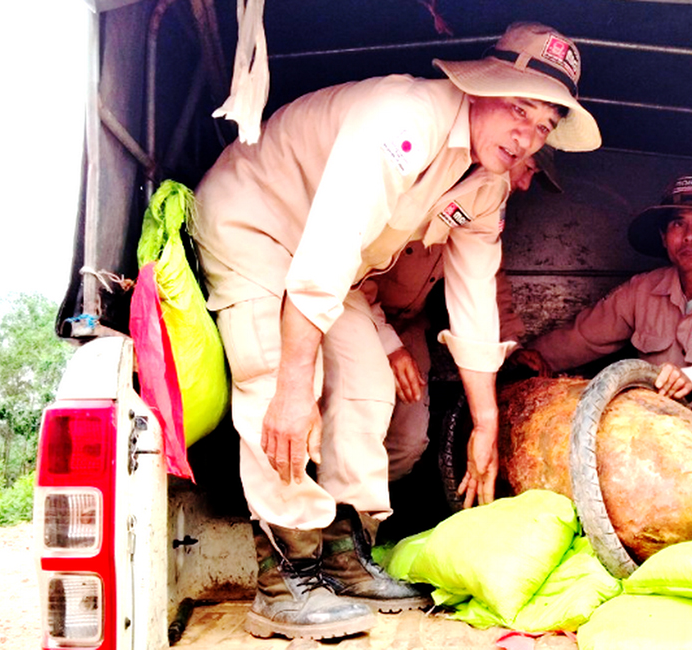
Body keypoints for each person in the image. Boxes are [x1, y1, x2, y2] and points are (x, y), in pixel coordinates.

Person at [191, 22, 600, 641]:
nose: (528, 137)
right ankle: (285, 574)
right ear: (482, 87)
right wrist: (295, 384)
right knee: (276, 377)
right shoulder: (406, 118)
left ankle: (345, 554)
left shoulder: (488, 184)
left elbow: (473, 299)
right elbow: (329, 243)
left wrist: (486, 422)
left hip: (336, 265)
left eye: (544, 124)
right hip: (257, 224)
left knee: (368, 384)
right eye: (520, 109)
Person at [517, 175, 692, 472]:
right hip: (646, 424)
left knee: (666, 457)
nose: (690, 235)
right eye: (678, 224)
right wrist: (528, 359)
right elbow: (582, 338)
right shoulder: (642, 290)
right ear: (663, 237)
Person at [369, 148, 561, 484]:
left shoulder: (482, 205)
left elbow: (485, 285)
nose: (528, 185)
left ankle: (367, 518)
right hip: (356, 313)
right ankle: (324, 520)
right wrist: (386, 344)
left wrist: (511, 349)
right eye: (529, 169)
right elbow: (348, 278)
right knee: (353, 423)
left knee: (409, 441)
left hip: (408, 324)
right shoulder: (420, 178)